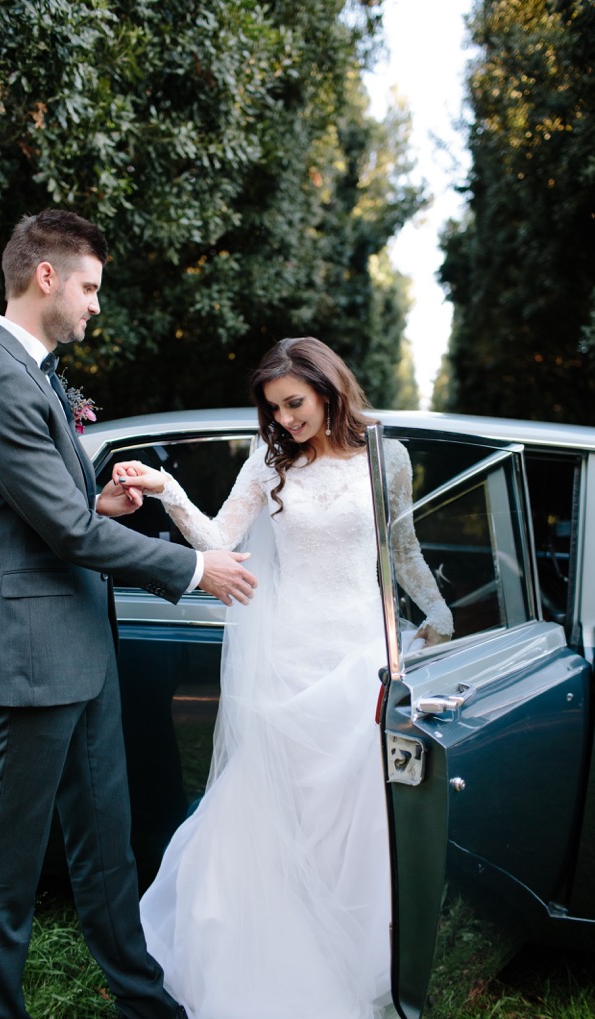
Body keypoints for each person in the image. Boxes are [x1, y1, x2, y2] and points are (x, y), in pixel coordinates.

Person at [0, 208, 257, 1019]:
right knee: (6, 870)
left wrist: (101, 503)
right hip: (34, 658)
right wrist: (194, 566)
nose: (95, 303)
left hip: (81, 649)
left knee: (106, 847)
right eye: (88, 286)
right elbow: (63, 533)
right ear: (45, 277)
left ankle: (143, 1001)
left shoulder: (30, 374)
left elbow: (58, 515)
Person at [116, 337, 454, 1019]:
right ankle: (267, 964)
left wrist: (442, 615)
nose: (286, 420)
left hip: (361, 662)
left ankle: (357, 963)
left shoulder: (386, 457)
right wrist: (169, 491)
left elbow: (403, 549)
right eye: (274, 409)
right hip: (288, 661)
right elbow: (219, 541)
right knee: (280, 817)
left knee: (353, 823)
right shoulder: (268, 466)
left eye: (294, 403)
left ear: (328, 389)